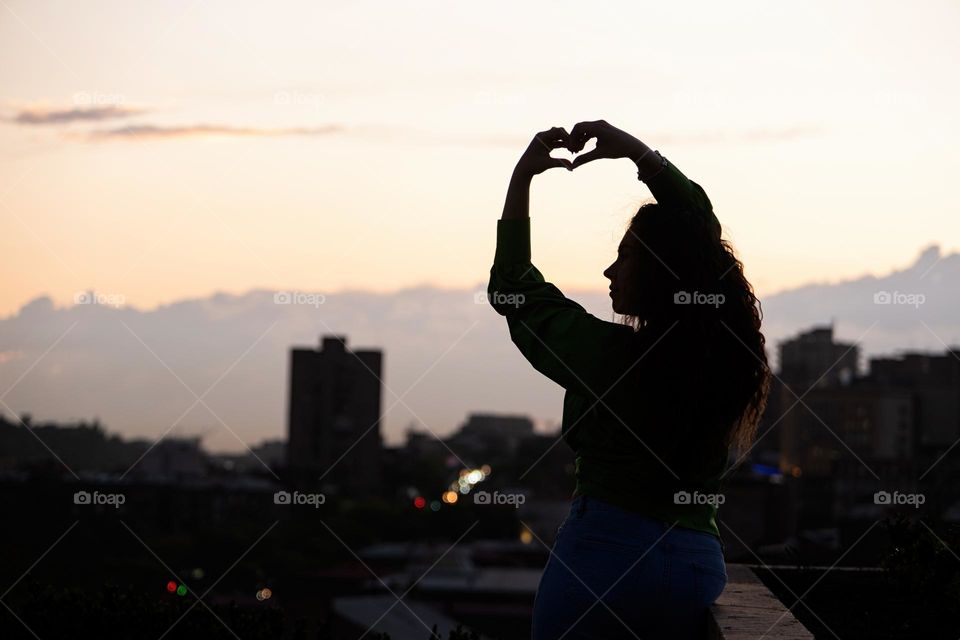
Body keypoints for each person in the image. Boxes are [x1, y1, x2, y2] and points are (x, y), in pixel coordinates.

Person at [487, 121, 772, 639]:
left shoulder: (606, 356)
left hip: (603, 558)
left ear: (657, 276)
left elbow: (515, 290)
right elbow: (698, 232)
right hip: (694, 564)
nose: (609, 272)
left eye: (625, 259)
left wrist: (523, 177)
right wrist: (641, 155)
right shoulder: (726, 357)